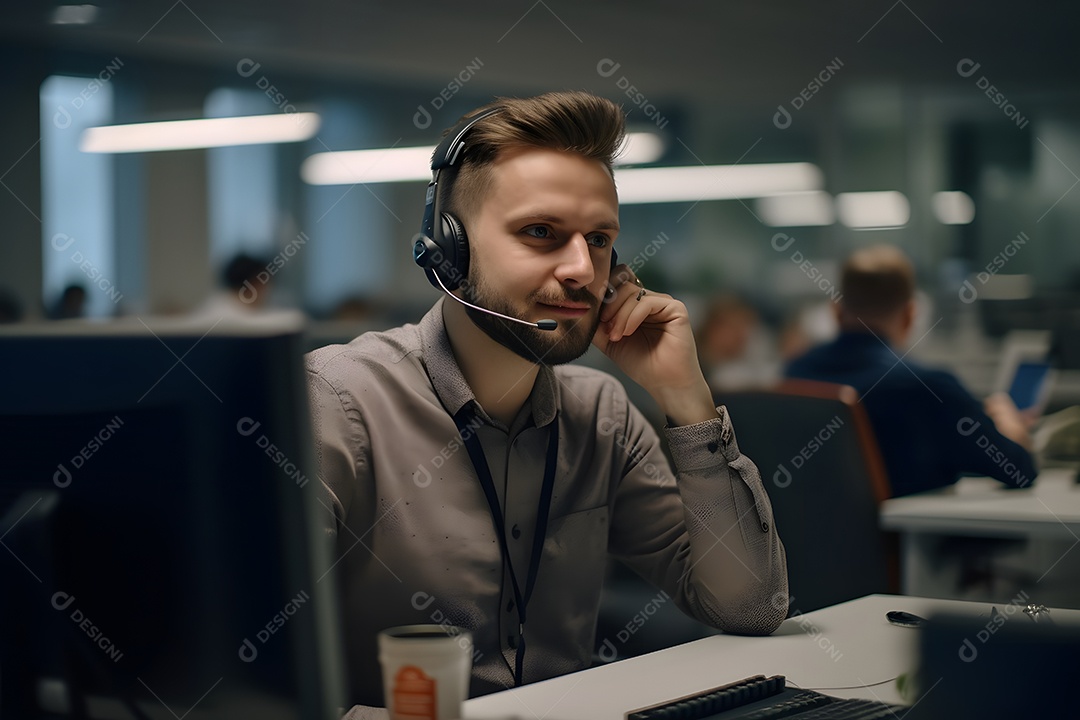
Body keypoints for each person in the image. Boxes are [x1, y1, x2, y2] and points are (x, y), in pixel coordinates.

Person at [306, 91, 787, 714]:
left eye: (600, 239)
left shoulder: (602, 415)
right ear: (447, 250)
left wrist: (685, 399)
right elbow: (248, 668)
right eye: (541, 233)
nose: (582, 268)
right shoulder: (339, 402)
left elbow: (749, 608)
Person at [784, 244, 1037, 497]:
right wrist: (1012, 428)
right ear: (910, 315)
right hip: (914, 537)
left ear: (836, 313)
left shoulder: (793, 377)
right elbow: (1018, 471)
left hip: (802, 536)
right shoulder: (931, 388)